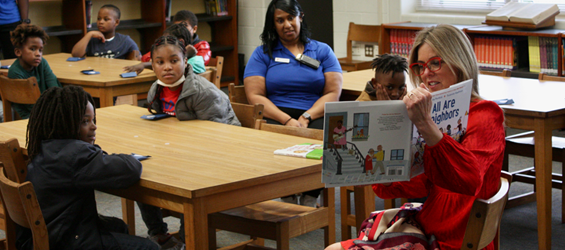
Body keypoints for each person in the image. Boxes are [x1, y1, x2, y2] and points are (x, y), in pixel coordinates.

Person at [326, 24, 505, 250]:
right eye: (420, 66)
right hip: (429, 225)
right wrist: (385, 172)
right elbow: (425, 181)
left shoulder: (486, 113)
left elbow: (468, 180)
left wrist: (425, 125)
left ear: (458, 61)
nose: (426, 73)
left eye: (435, 63)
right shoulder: (434, 114)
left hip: (453, 238)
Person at [19, 86, 158, 250]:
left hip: (43, 233)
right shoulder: (76, 156)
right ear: (65, 123)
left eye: (93, 120)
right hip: (62, 241)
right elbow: (130, 170)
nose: (93, 127)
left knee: (118, 226)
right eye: (85, 121)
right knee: (149, 247)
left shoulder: (47, 147)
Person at [137, 35, 240, 249]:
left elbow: (219, 134)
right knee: (138, 173)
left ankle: (186, 239)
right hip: (179, 151)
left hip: (217, 155)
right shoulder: (156, 88)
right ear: (153, 65)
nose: (167, 67)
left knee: (189, 180)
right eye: (160, 62)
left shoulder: (203, 92)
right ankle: (159, 234)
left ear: (185, 61)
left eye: (174, 61)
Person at [244, 0, 342, 130]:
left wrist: (307, 116)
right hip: (275, 115)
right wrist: (286, 120)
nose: (287, 25)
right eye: (280, 21)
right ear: (273, 25)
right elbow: (255, 96)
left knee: (331, 137)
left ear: (300, 17)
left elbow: (333, 92)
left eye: (291, 18)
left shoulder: (323, 51)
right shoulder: (262, 53)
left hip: (314, 114)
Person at [7, 23, 61, 119]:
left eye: (40, 50)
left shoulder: (42, 63)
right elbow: (28, 105)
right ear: (18, 52)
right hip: (29, 116)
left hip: (46, 110)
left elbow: (55, 88)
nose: (38, 54)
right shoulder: (15, 71)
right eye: (32, 49)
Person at [123, 22, 206, 75]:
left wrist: (144, 65)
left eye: (168, 41)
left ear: (181, 42)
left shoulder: (196, 61)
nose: (164, 45)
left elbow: (177, 70)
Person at [71, 4, 140, 60]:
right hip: (95, 75)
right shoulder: (91, 40)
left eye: (106, 19)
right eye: (99, 19)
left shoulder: (125, 40)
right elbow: (75, 55)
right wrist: (89, 34)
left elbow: (137, 59)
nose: (101, 22)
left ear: (116, 22)